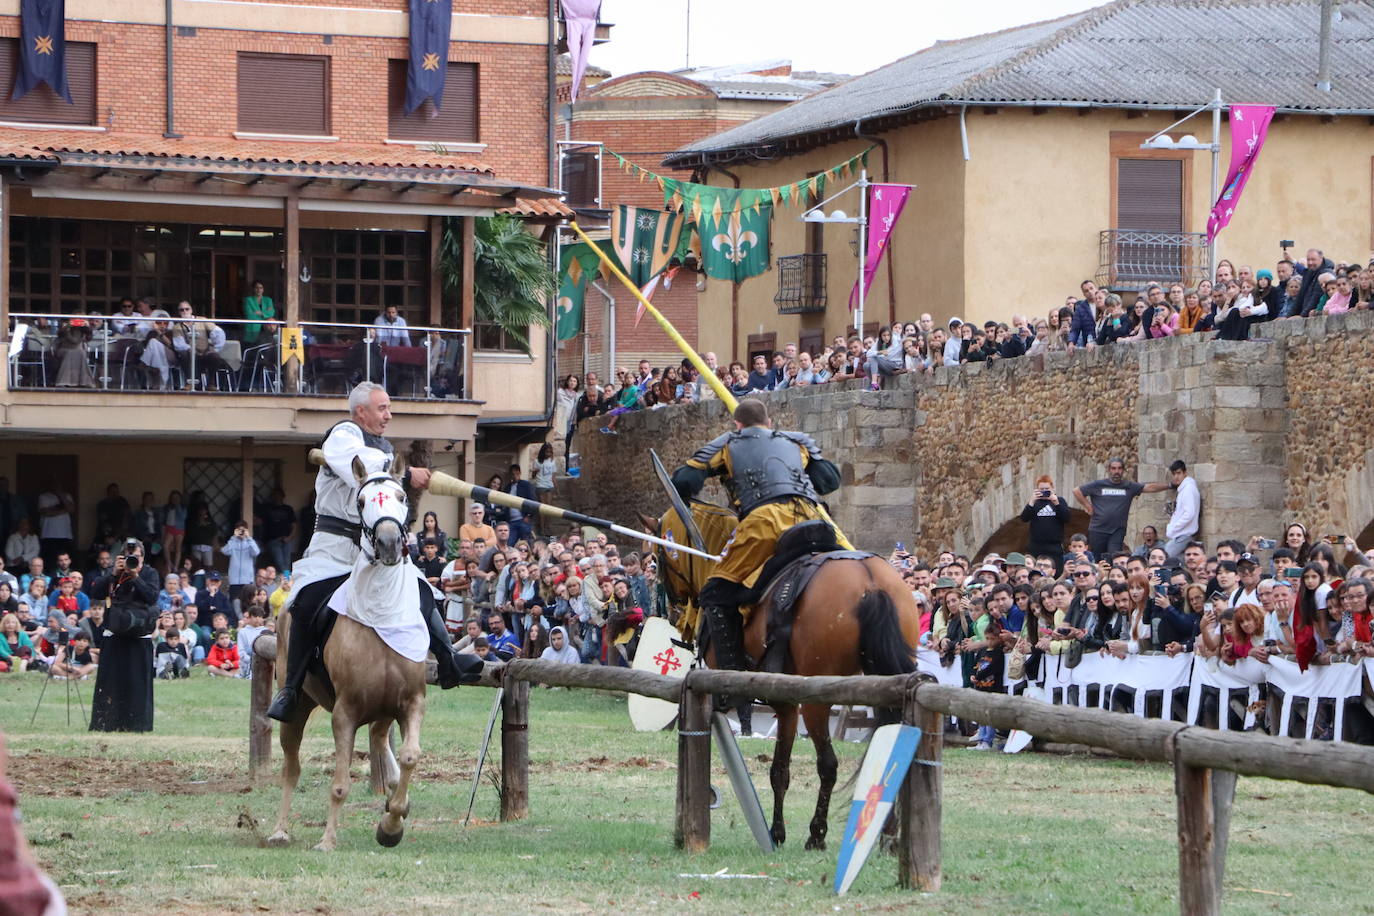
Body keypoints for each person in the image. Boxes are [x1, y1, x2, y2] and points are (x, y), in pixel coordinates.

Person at [267, 382, 481, 722]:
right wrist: (408, 473)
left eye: (389, 408)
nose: (389, 415)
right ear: (360, 411)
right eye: (382, 408)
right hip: (335, 549)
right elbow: (362, 463)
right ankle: (291, 689)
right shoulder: (343, 436)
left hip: (375, 547)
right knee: (305, 602)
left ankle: (448, 659)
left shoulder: (382, 447)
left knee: (421, 589)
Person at [670, 397, 849, 710]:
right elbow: (829, 481)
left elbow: (684, 482)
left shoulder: (727, 443)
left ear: (737, 424)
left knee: (714, 592)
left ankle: (732, 686)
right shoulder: (797, 442)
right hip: (814, 517)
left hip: (764, 523)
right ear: (769, 422)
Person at [89, 538, 160, 732]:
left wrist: (135, 575)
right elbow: (94, 592)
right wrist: (113, 574)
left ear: (143, 557)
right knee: (111, 681)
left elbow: (152, 596)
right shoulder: (115, 573)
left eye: (136, 557)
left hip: (139, 636)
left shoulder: (150, 573)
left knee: (138, 684)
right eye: (129, 557)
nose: (132, 560)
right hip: (115, 634)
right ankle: (107, 723)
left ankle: (137, 725)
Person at [1072, 458, 1170, 557]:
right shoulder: (1098, 485)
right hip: (1098, 529)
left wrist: (1170, 485)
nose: (1116, 471)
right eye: (1113, 468)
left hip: (1117, 530)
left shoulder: (1129, 486)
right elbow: (1077, 491)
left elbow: (1149, 487)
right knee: (1097, 558)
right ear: (1109, 470)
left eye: (1119, 468)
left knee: (1115, 557)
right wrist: (1088, 506)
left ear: (1123, 470)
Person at [1019, 475, 1069, 572]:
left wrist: (1056, 502)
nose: (1044, 491)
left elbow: (1066, 518)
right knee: (1035, 571)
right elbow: (1024, 518)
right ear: (1037, 489)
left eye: (1047, 489)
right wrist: (1032, 502)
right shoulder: (1035, 503)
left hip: (1054, 545)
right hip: (1036, 544)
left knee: (1056, 570)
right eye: (1042, 489)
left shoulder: (1059, 501)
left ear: (1052, 488)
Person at [1163, 459, 1201, 560]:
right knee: (1180, 562)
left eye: (1179, 473)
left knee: (1163, 558)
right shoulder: (1184, 489)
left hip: (1184, 535)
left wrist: (1174, 527)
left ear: (1185, 473)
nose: (1176, 476)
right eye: (1174, 474)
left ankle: (1162, 576)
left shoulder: (1188, 489)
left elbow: (1189, 514)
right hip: (1182, 534)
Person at [242, 280, 275, 345]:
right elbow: (249, 315)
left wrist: (260, 313)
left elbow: (271, 313)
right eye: (256, 288)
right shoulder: (248, 300)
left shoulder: (268, 300)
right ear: (253, 289)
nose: (259, 290)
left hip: (265, 330)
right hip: (252, 329)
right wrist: (265, 313)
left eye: (261, 288)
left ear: (263, 290)